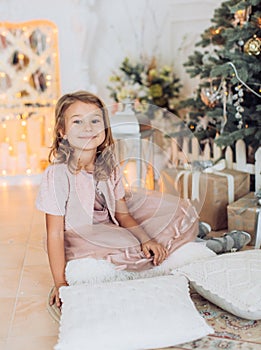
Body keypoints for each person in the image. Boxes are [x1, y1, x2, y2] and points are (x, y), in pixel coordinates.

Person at [36, 90, 250, 309]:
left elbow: (123, 215)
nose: (88, 128)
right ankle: (210, 244)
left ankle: (200, 239)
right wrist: (60, 282)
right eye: (77, 122)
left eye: (95, 120)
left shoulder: (108, 167)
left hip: (114, 223)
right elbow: (54, 233)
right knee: (130, 250)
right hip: (84, 236)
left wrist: (146, 239)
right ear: (62, 131)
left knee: (162, 223)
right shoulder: (57, 176)